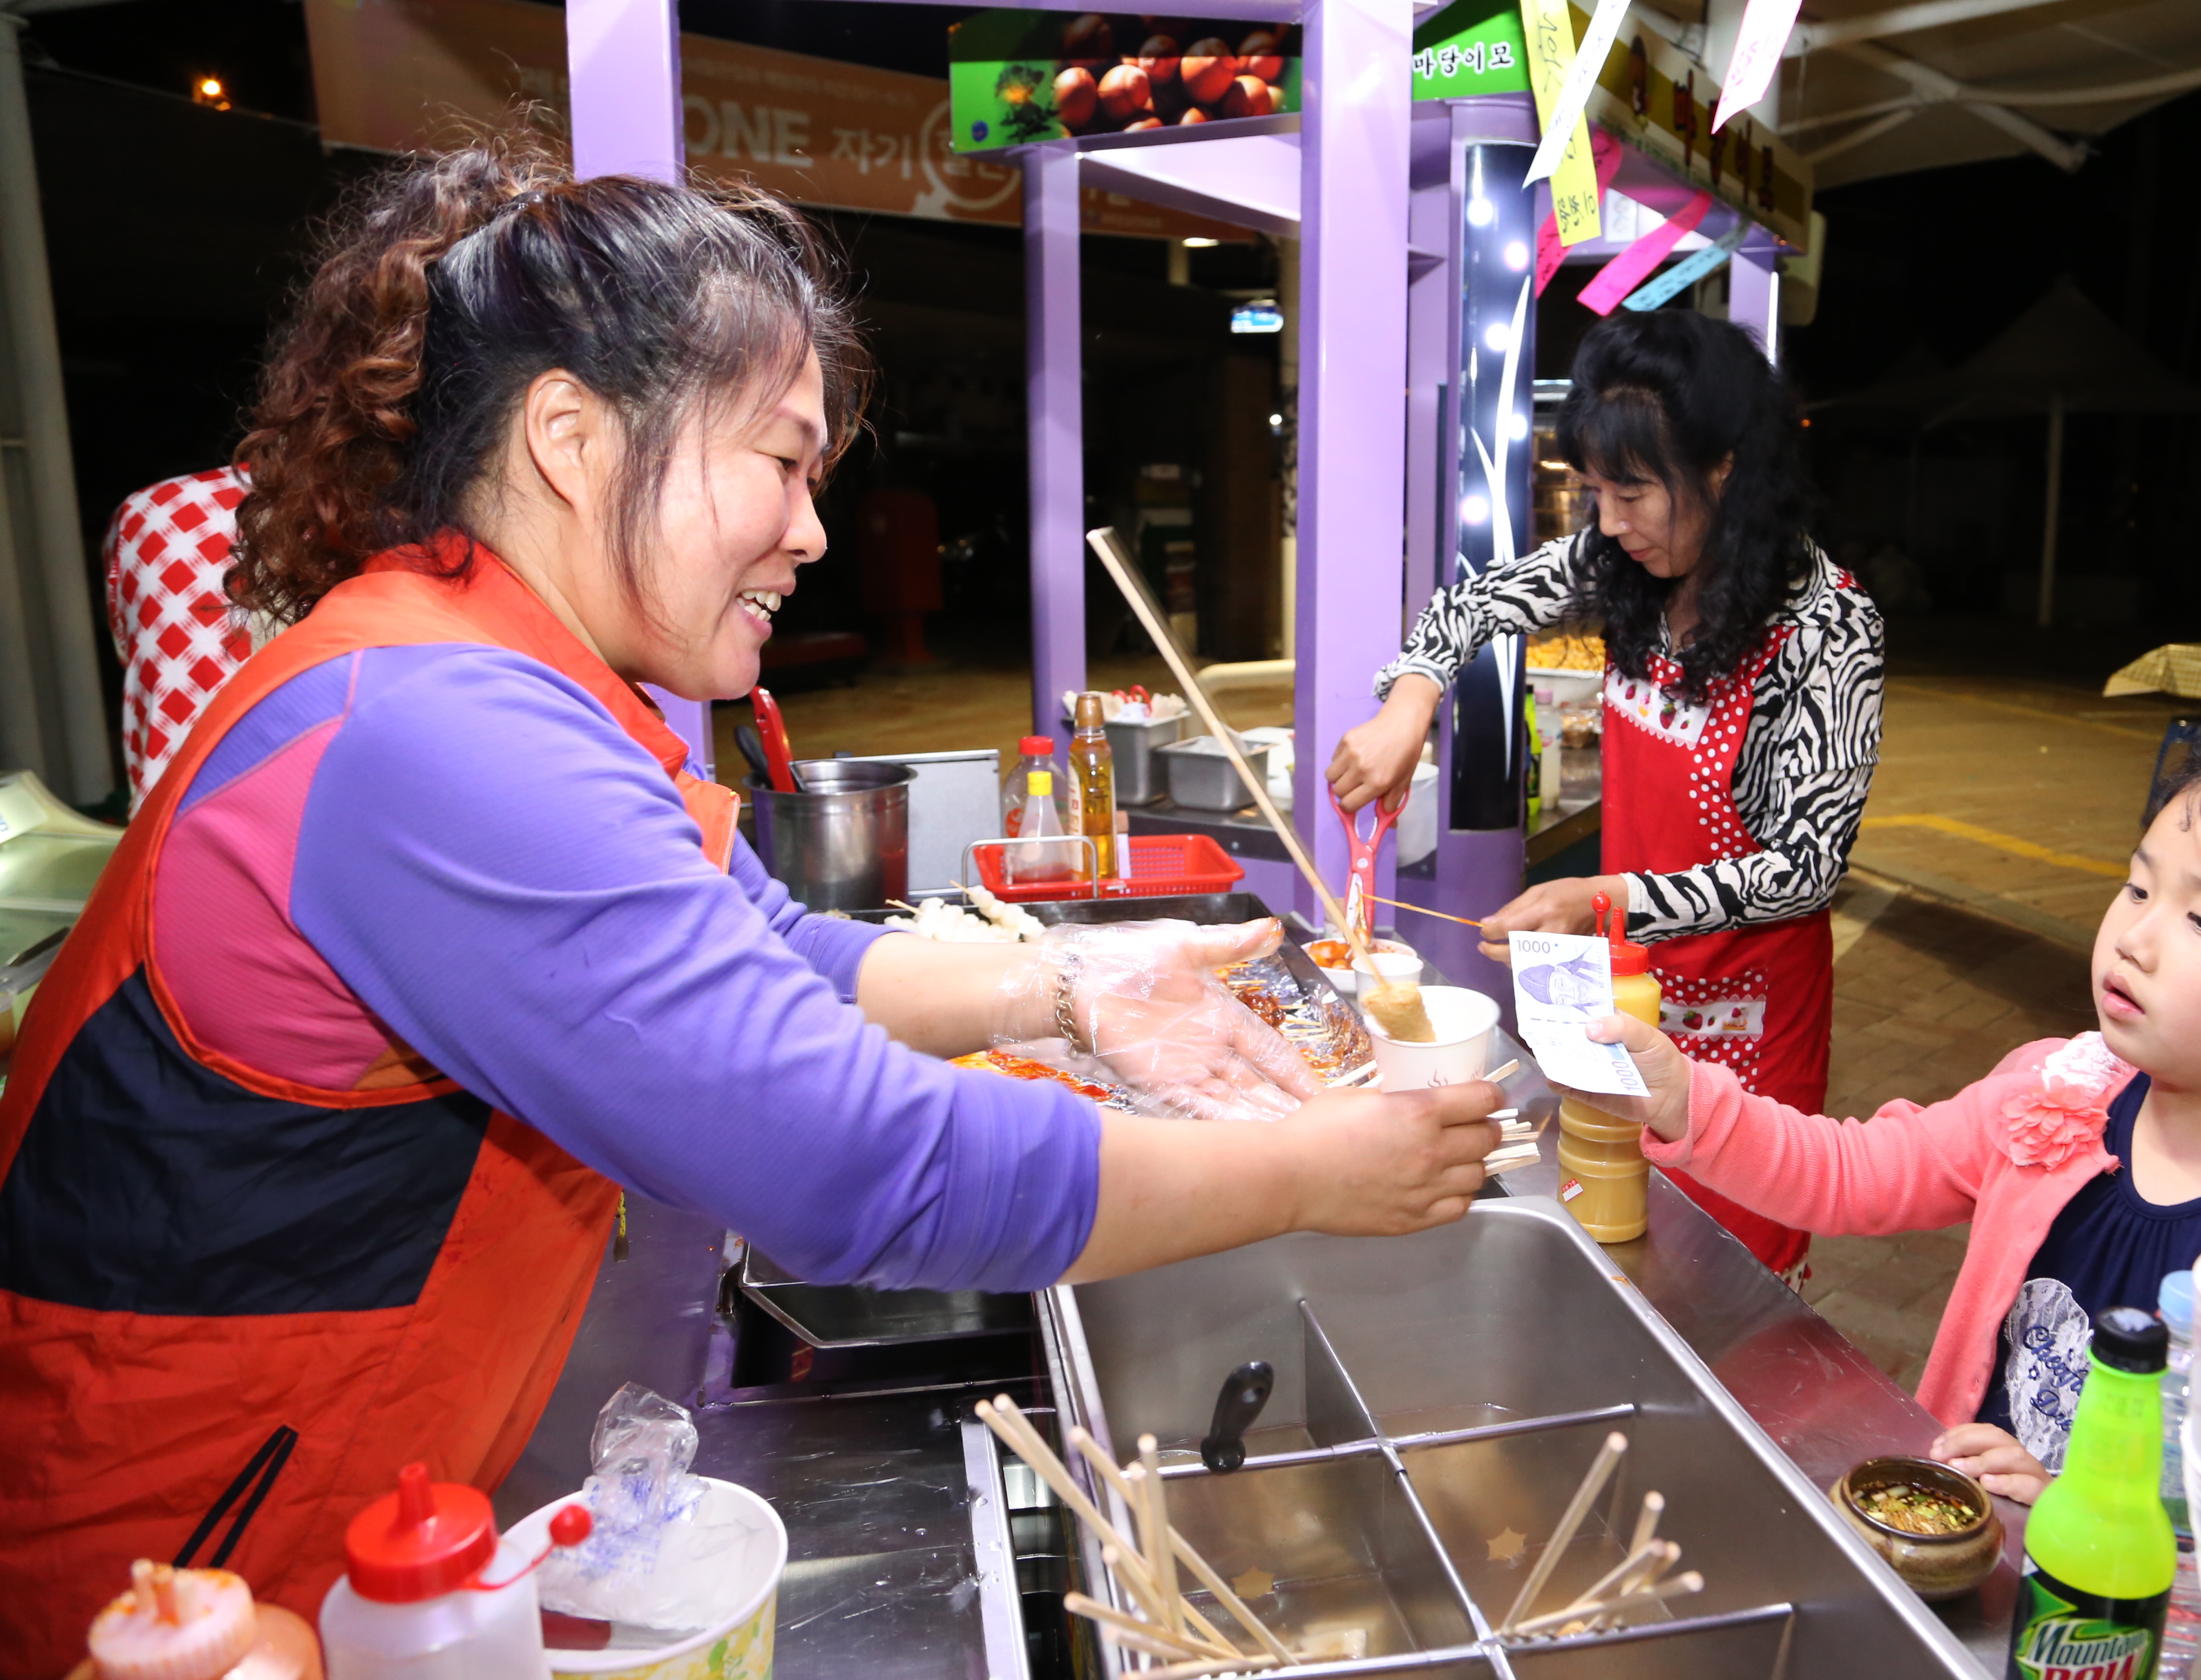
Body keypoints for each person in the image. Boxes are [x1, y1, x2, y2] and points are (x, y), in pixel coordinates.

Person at [0, 138, 1502, 1673]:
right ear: (573, 438)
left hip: (337, 1524)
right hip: (179, 1574)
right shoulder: (435, 733)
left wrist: (1067, 984)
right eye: (780, 462)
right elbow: (856, 1161)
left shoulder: (503, 677)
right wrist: (1313, 1170)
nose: (811, 529)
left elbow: (768, 947)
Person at [1562, 712, 2201, 1564]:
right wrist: (1681, 1095)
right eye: (2137, 886)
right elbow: (1853, 1172)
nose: (2135, 937)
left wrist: (2085, 1522)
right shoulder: (2059, 1092)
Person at [1328, 309, 1884, 1276]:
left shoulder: (1827, 625)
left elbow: (1804, 868)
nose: (1611, 523)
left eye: (1633, 492)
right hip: (1619, 982)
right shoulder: (1620, 565)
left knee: (1729, 1273)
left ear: (1723, 469)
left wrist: (1602, 897)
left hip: (1745, 1019)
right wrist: (1410, 703)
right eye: (1595, 493)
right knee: (1610, 1229)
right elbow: (1473, 603)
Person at [103, 465, 273, 805]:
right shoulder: (374, 516)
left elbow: (130, 650)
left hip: (175, 812)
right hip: (315, 809)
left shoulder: (156, 508)